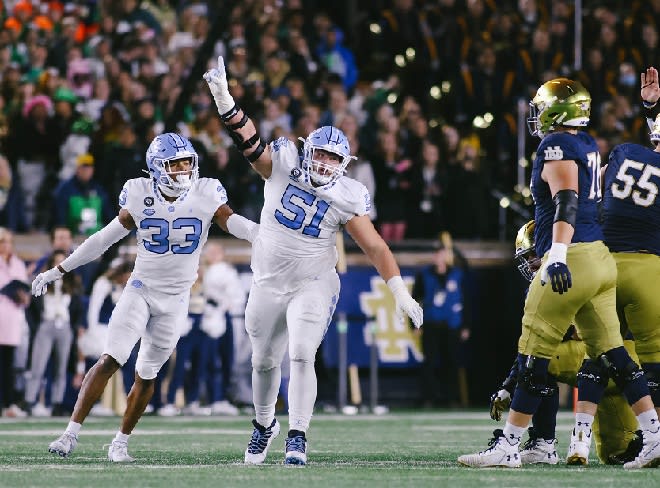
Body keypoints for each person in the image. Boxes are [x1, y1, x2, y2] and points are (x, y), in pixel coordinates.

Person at [204, 56, 423, 466]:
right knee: (264, 360)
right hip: (267, 279)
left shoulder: (348, 195)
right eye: (319, 155)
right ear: (308, 151)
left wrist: (399, 291)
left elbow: (374, 247)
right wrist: (225, 101)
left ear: (344, 165)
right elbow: (248, 143)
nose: (324, 164)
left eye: (333, 160)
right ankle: (264, 424)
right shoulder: (283, 162)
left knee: (302, 352)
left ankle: (298, 434)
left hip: (314, 281)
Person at [457, 78, 660, 469]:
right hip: (600, 256)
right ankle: (654, 435)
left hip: (573, 256)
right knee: (614, 355)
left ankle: (511, 445)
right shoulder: (588, 143)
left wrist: (557, 254)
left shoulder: (556, 145)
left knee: (535, 353)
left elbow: (567, 200)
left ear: (555, 111)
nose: (536, 114)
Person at [32, 132, 259, 462]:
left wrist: (257, 233)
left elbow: (230, 221)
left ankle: (120, 442)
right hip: (141, 288)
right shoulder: (139, 194)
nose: (184, 170)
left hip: (177, 297)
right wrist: (59, 270)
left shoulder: (206, 192)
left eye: (187, 163)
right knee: (112, 357)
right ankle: (70, 434)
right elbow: (101, 240)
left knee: (148, 373)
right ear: (156, 168)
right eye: (175, 164)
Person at [490, 220, 642, 465]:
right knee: (616, 454)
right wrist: (509, 382)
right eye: (525, 258)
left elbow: (537, 351)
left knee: (544, 361)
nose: (529, 264)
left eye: (532, 255)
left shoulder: (575, 271)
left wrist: (509, 384)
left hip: (622, 360)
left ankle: (544, 442)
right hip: (610, 366)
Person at [602, 72, 660, 421]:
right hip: (649, 268)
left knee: (599, 351)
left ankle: (577, 438)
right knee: (654, 360)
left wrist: (651, 107)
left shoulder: (625, 153)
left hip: (607, 264)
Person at [24, 250, 84, 417]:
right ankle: (29, 401)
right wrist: (36, 326)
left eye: (62, 261)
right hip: (46, 325)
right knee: (38, 365)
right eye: (56, 262)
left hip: (64, 326)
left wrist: (75, 326)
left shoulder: (72, 283)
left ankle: (57, 402)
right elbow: (31, 306)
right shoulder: (43, 281)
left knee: (61, 367)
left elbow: (78, 308)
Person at [412, 242, 469, 408]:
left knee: (451, 361)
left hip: (452, 323)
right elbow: (415, 300)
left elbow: (466, 301)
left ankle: (451, 398)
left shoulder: (457, 274)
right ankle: (428, 398)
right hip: (431, 322)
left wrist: (466, 325)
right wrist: (415, 324)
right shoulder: (424, 275)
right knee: (429, 361)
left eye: (442, 254)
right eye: (437, 254)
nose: (439, 257)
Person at [0, 227, 30, 418]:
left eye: (9, 242)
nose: (6, 246)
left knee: (9, 364)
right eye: (3, 242)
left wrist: (23, 296)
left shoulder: (18, 264)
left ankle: (8, 403)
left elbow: (24, 291)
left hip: (12, 318)